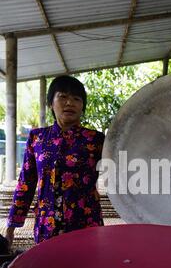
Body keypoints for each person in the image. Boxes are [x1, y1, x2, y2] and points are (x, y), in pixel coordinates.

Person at [5, 75, 105, 248]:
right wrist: (11, 226)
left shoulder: (95, 140)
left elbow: (121, 172)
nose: (69, 103)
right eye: (63, 96)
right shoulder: (37, 138)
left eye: (76, 99)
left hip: (86, 223)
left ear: (82, 107)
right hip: (47, 225)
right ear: (51, 103)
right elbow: (26, 183)